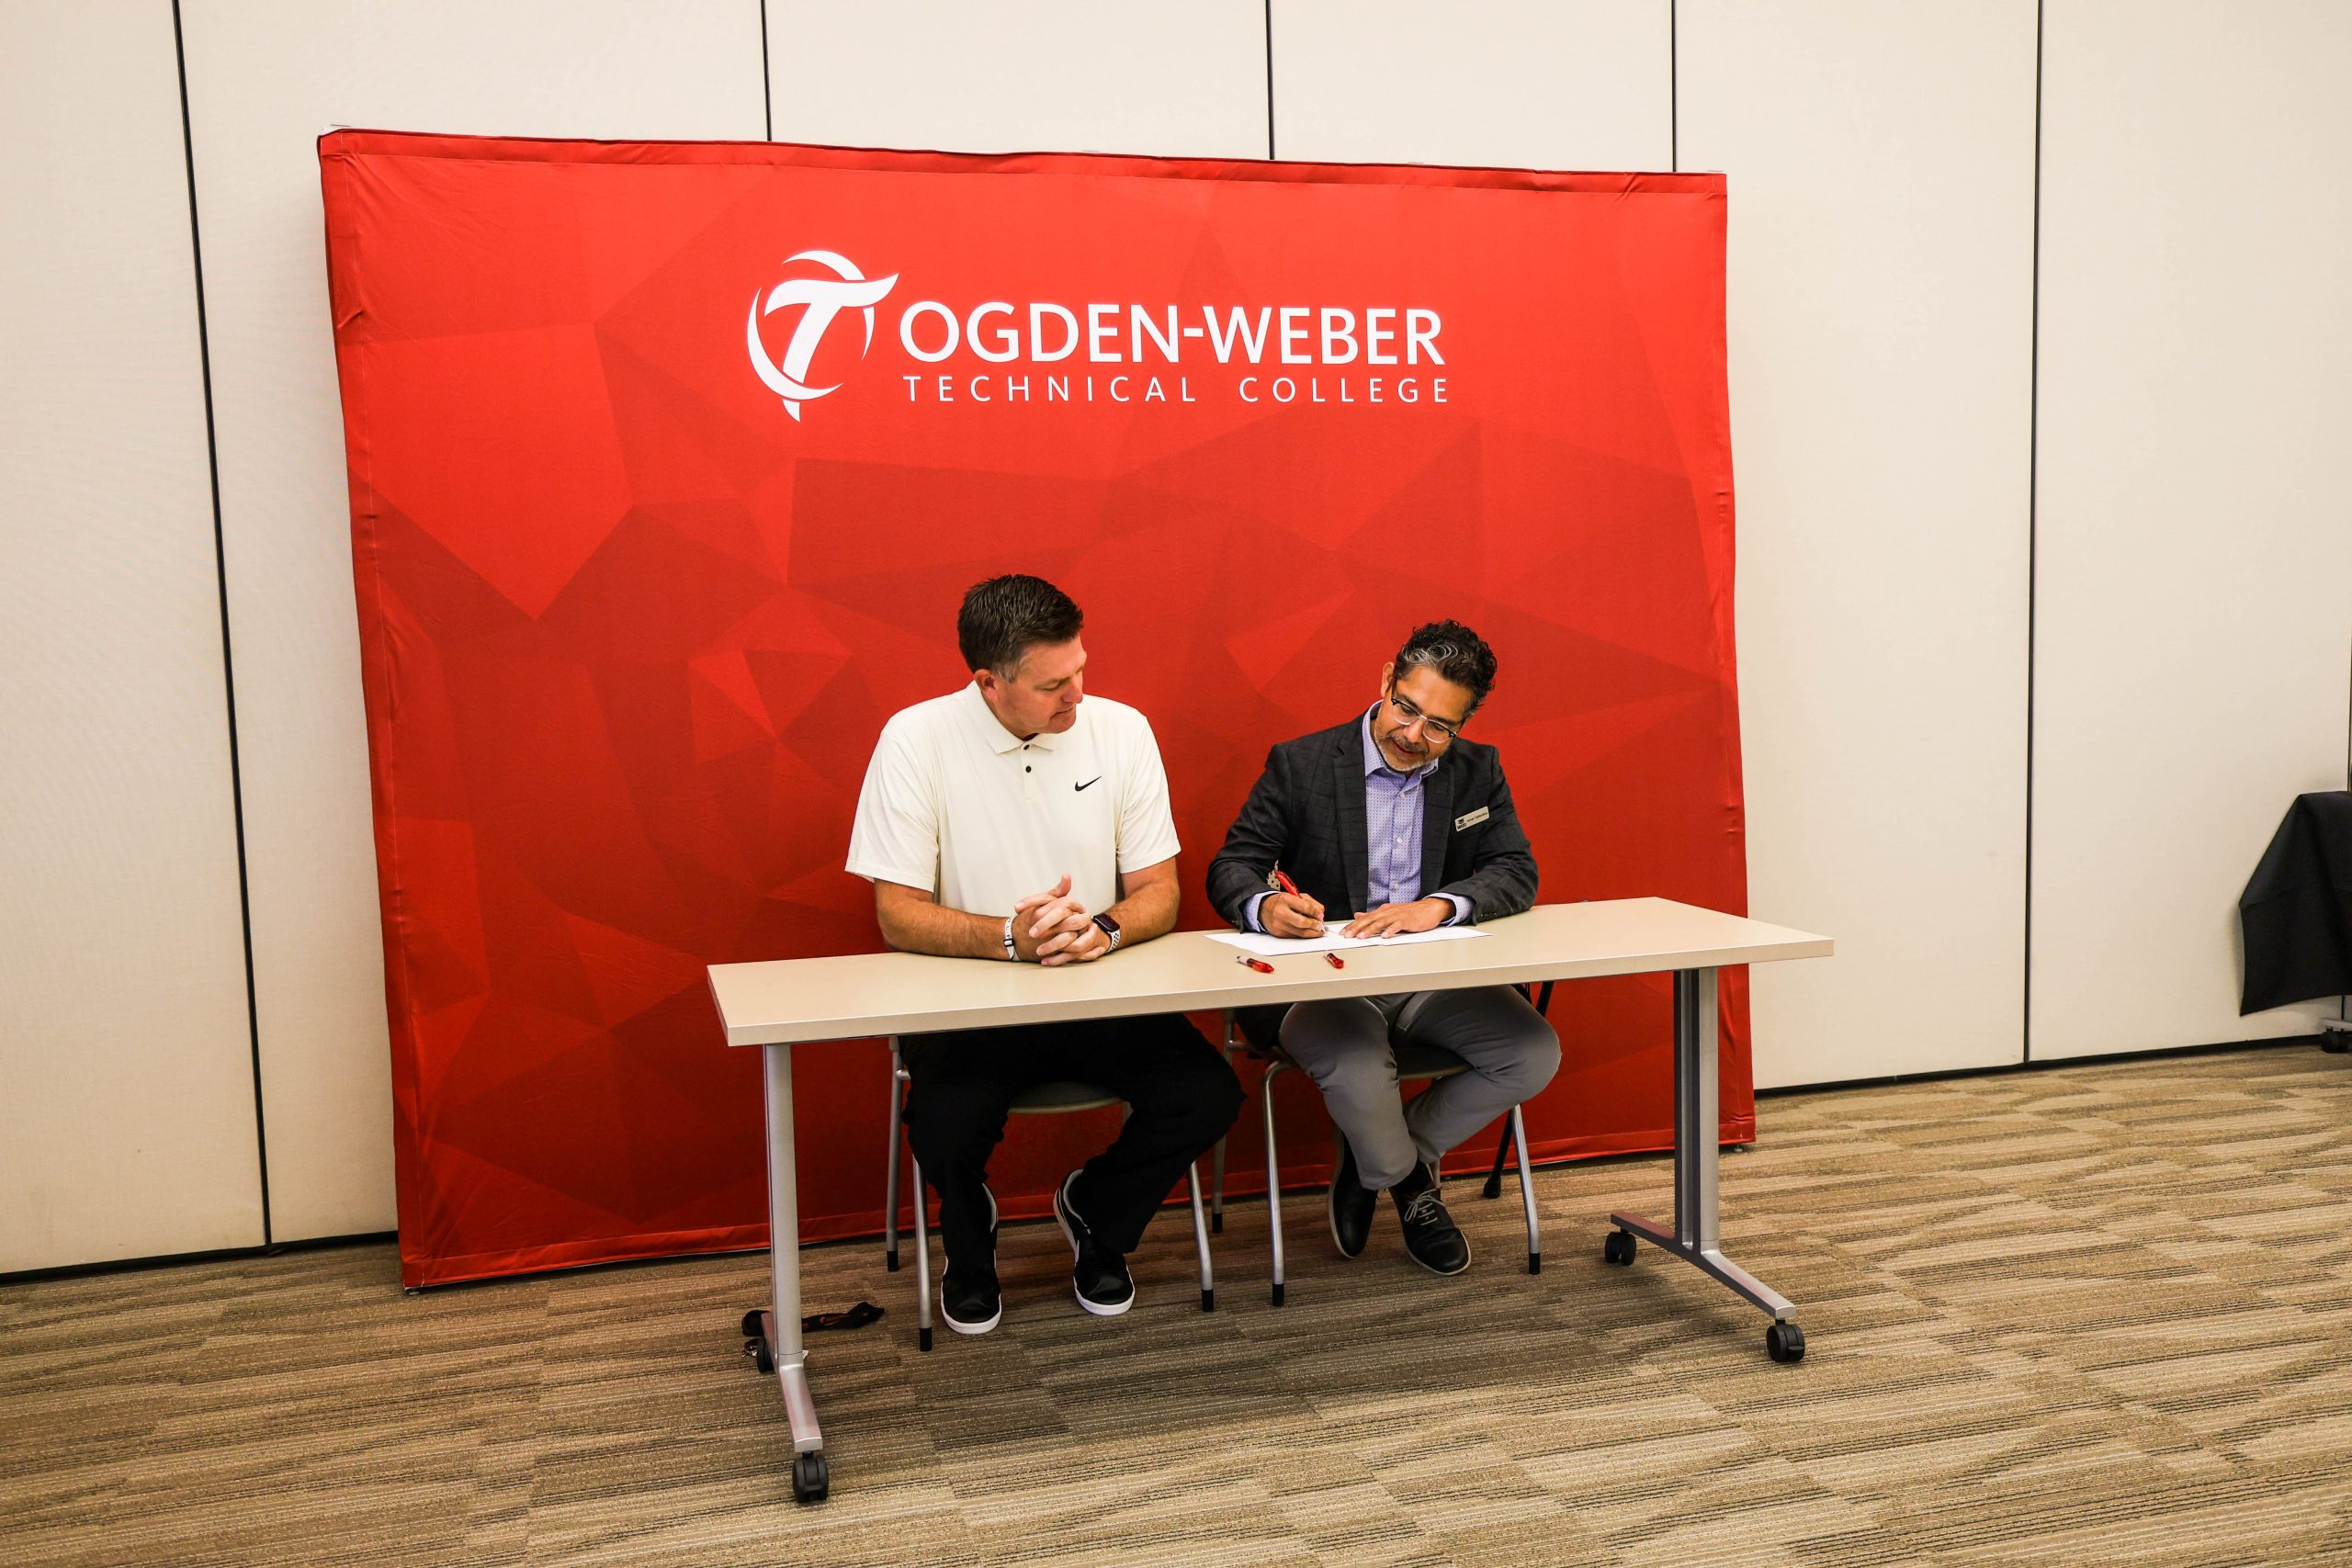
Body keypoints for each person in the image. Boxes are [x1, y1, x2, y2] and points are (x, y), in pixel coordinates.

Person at [847, 574, 1243, 1334]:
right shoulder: (914, 738)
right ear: (989, 684)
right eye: (1054, 684)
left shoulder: (1122, 730)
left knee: (1207, 1095)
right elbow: (897, 915)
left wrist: (1107, 928)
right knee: (941, 1124)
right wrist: (1009, 939)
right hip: (972, 1004)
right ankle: (969, 1247)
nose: (1078, 696)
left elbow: (1159, 889)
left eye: (1082, 670)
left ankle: (1100, 1212)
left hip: (1098, 993)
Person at [1206, 619, 1558, 1275]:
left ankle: (1380, 1157)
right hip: (1322, 982)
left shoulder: (1477, 771)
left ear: (1460, 727)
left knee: (1533, 1051)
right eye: (1406, 707)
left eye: (1438, 727)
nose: (1413, 734)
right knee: (1362, 1067)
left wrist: (1439, 906)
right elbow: (1233, 865)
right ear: (1385, 681)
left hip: (1428, 976)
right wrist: (1266, 906)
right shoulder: (1303, 762)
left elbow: (1516, 868)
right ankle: (1411, 1186)